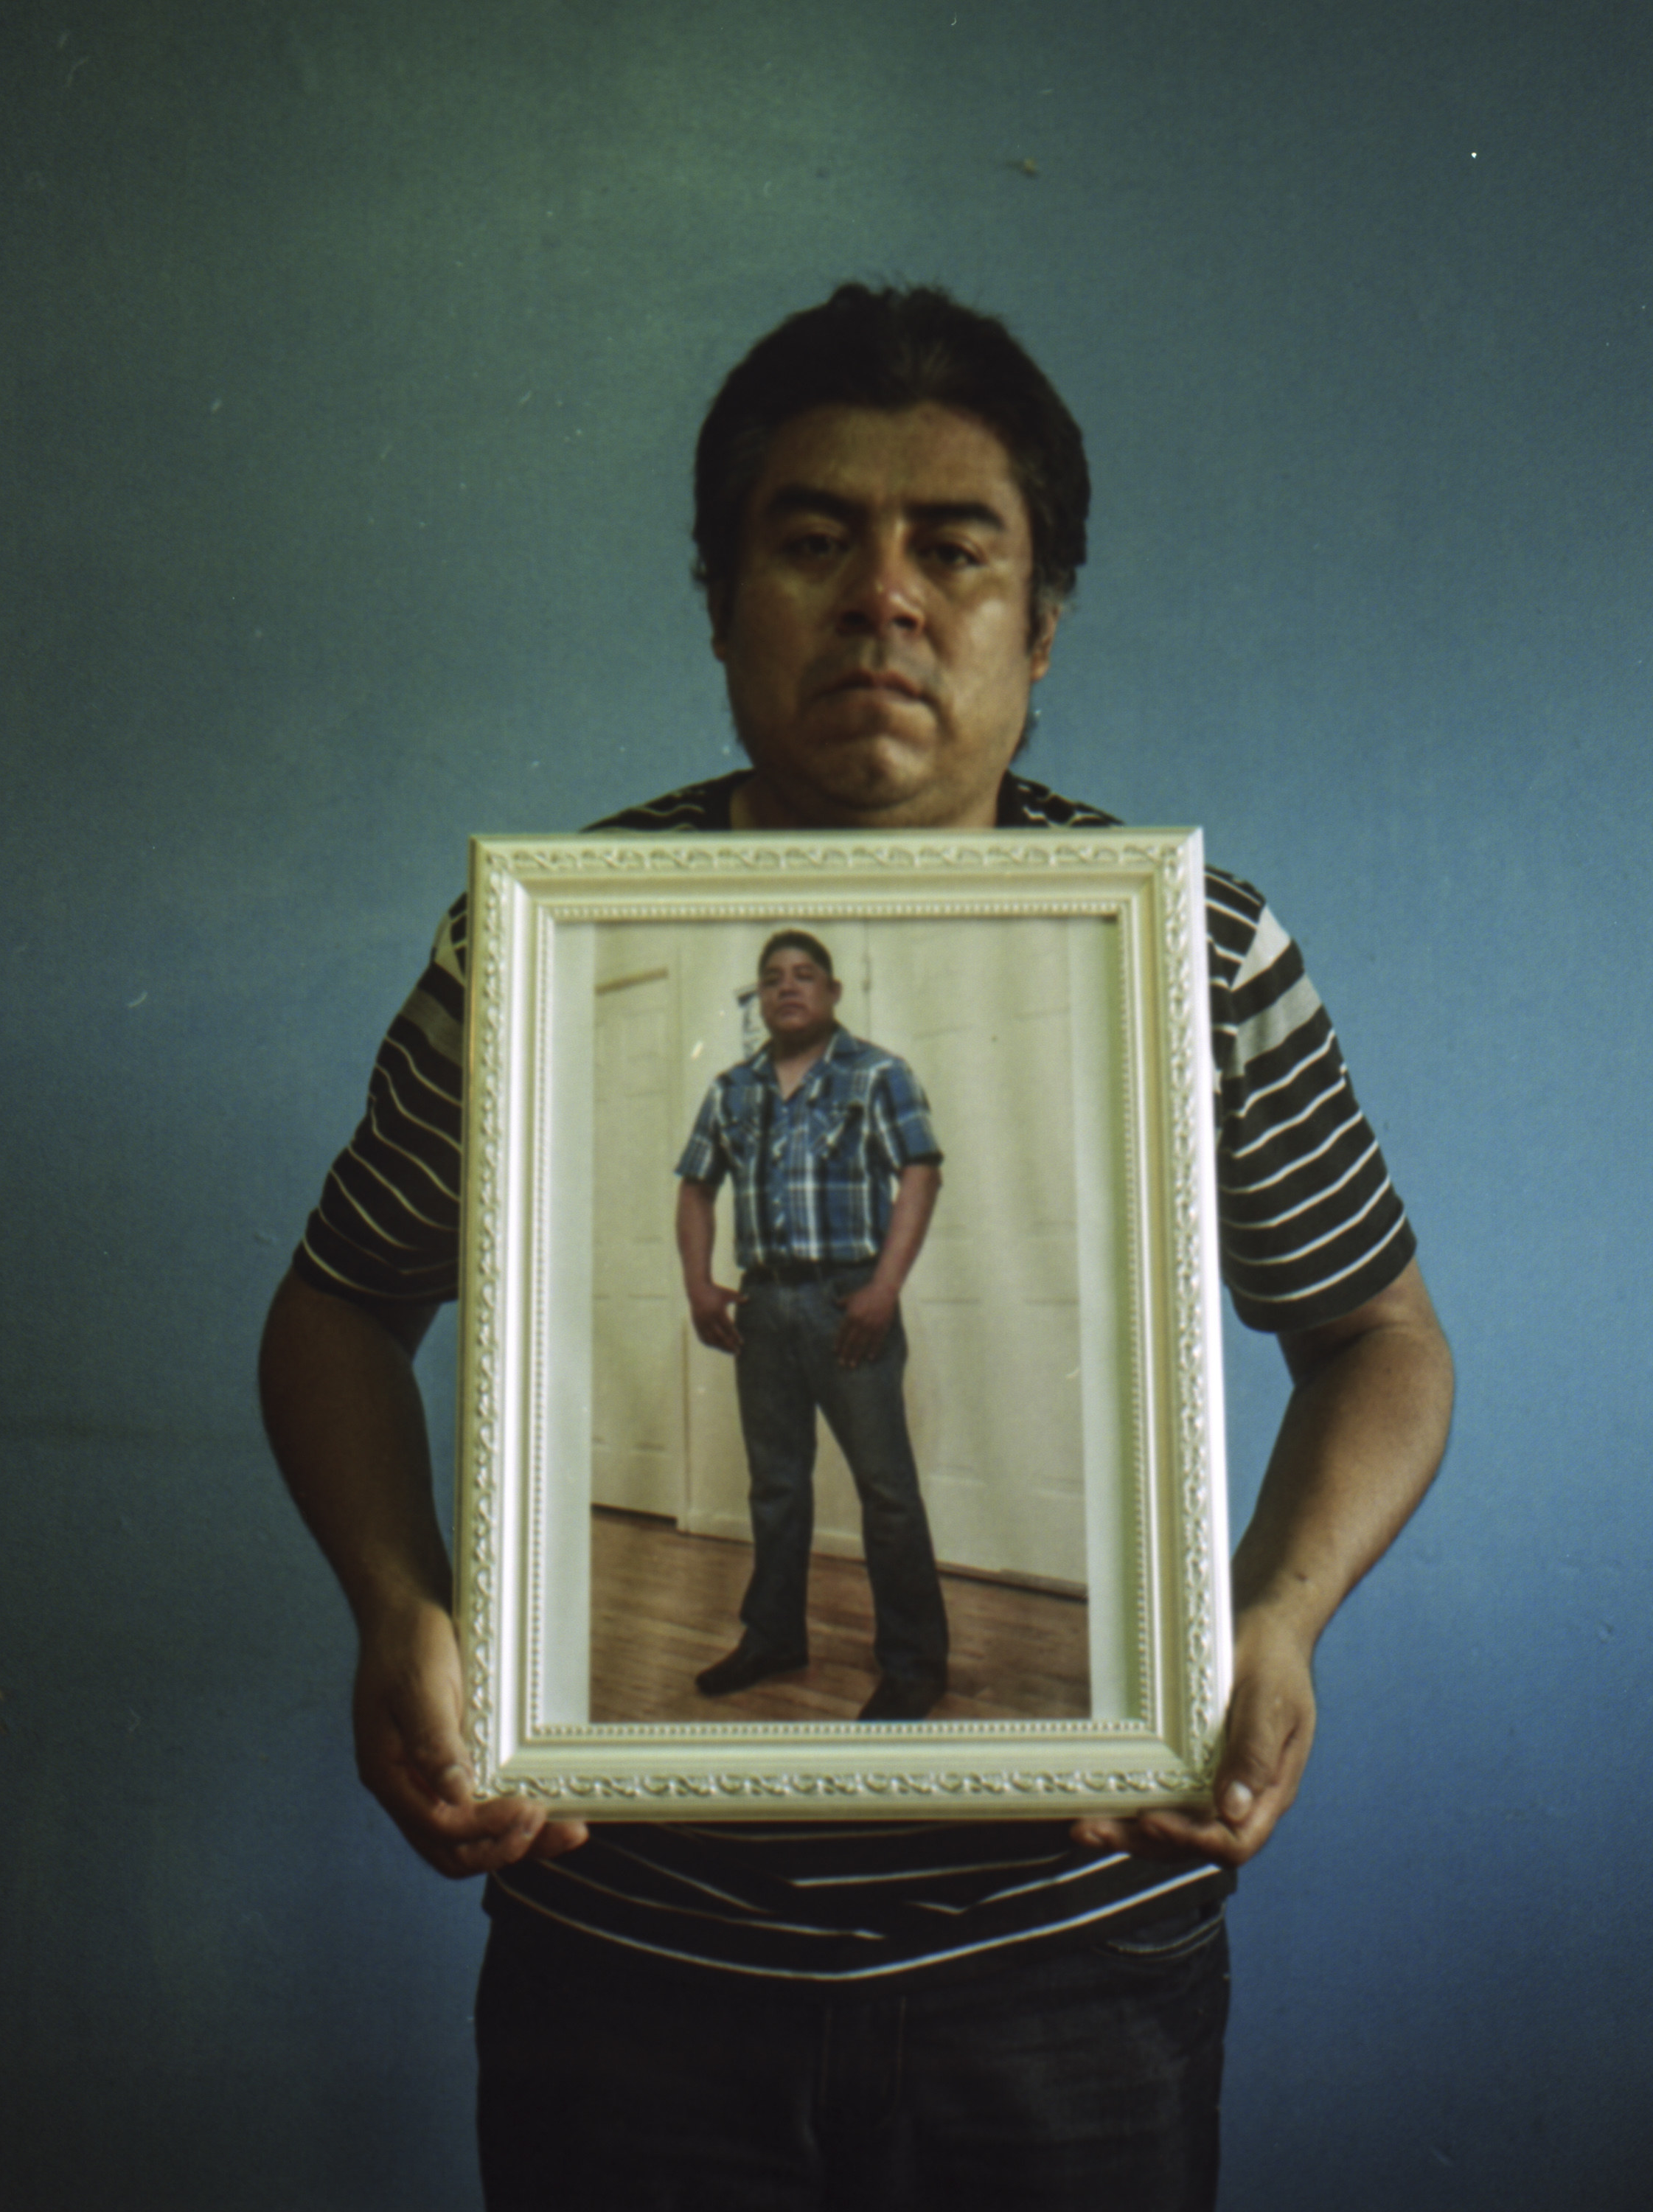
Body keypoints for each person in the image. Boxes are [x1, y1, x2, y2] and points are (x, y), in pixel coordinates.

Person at [259, 282, 1454, 2208]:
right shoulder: (533, 951)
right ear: (720, 600)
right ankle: (754, 1651)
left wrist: (1271, 1617)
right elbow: (332, 1316)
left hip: (1065, 1963)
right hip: (628, 1972)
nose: (881, 598)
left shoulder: (1194, 959)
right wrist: (397, 1612)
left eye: (949, 550)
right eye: (811, 542)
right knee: (763, 1504)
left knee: (883, 1501)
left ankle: (904, 1663)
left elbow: (1379, 1343)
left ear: (1037, 624)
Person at [676, 928, 950, 1721]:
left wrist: (884, 1287)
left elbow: (920, 1174)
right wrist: (699, 1284)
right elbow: (695, 1188)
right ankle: (772, 1637)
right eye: (771, 980)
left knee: (885, 1491)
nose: (786, 988)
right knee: (776, 1486)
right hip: (762, 1310)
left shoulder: (877, 1075)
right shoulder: (731, 1090)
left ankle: (913, 1664)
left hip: (848, 1305)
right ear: (759, 1000)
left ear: (831, 993)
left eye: (803, 976)